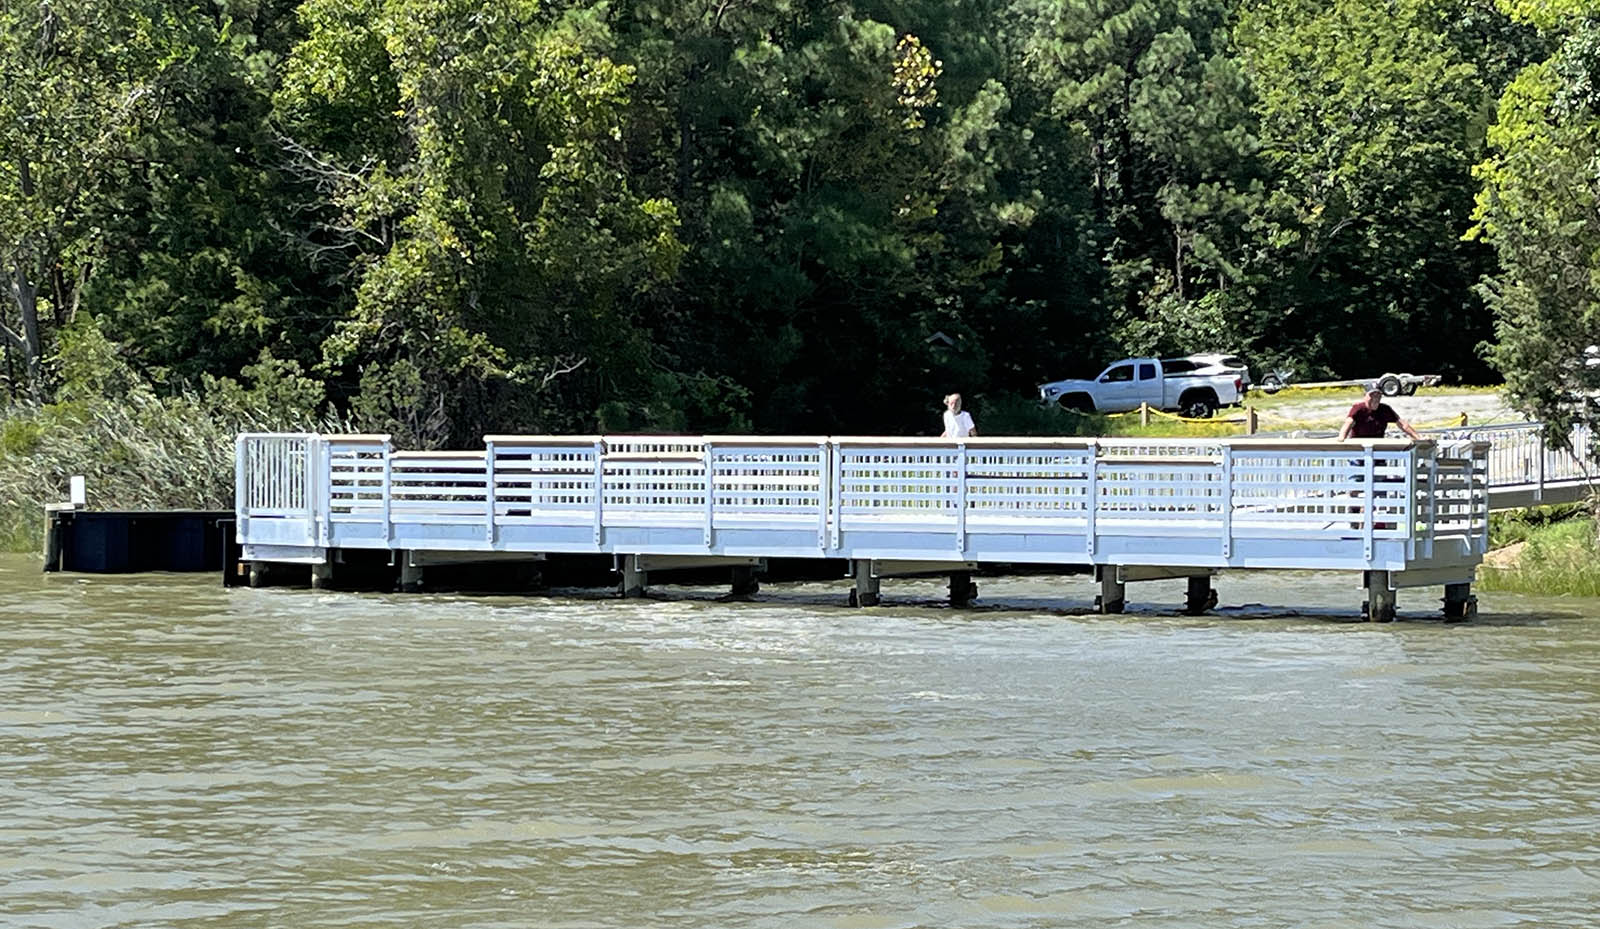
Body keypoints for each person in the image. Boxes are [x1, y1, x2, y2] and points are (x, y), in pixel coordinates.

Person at [1338, 388, 1421, 441]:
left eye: (1378, 395)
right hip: (1359, 446)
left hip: (1378, 445)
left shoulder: (1385, 409)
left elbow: (1402, 424)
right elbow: (1348, 423)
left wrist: (1418, 437)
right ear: (1365, 397)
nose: (1375, 398)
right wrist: (1342, 438)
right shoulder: (1358, 408)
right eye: (1372, 395)